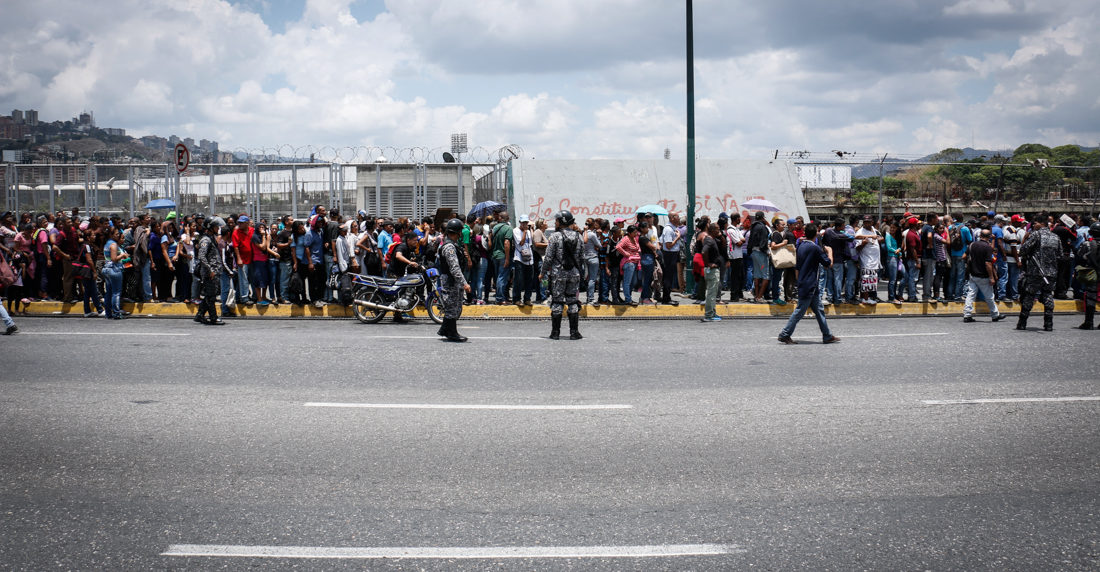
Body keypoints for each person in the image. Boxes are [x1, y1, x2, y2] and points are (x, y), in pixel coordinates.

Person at [777, 223, 839, 344]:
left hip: (806, 283)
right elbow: (828, 264)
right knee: (800, 311)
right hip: (810, 284)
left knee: (819, 310)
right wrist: (830, 252)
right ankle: (785, 334)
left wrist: (798, 281)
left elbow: (797, 267)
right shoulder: (815, 248)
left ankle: (827, 335)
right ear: (816, 234)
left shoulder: (801, 246)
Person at [541, 210, 586, 340]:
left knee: (557, 301)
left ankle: (555, 333)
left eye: (556, 220)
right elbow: (582, 257)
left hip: (558, 274)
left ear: (561, 221)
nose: (555, 222)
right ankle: (574, 332)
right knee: (572, 301)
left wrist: (543, 272)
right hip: (574, 274)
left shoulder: (555, 237)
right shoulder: (579, 236)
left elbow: (548, 257)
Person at [1015, 216, 1062, 331]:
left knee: (1029, 295)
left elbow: (1023, 250)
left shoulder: (1036, 235)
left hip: (1035, 271)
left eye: (1035, 223)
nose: (1033, 225)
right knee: (1048, 295)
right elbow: (1060, 255)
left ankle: (1022, 323)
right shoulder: (1055, 237)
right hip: (1051, 272)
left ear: (1042, 223)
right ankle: (1049, 324)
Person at [435, 218, 471, 342]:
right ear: (457, 232)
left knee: (455, 307)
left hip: (453, 280)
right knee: (452, 307)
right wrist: (464, 283)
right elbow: (454, 268)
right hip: (451, 281)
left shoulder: (453, 245)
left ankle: (445, 329)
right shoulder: (449, 247)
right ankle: (452, 333)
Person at [963, 229, 1006, 323]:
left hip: (973, 274)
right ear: (989, 237)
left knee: (970, 295)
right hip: (983, 275)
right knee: (989, 296)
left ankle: (967, 314)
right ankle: (995, 315)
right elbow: (988, 263)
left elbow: (964, 256)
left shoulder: (972, 245)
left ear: (980, 235)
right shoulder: (987, 247)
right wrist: (991, 277)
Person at [194, 220, 225, 325]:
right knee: (211, 297)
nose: (218, 229)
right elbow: (201, 256)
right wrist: (210, 269)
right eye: (216, 227)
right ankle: (213, 317)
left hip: (214, 272)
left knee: (209, 295)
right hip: (209, 273)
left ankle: (200, 315)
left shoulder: (212, 238)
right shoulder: (206, 240)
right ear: (210, 227)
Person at [1075, 222, 1100, 330]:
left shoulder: (1088, 244)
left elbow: (1080, 255)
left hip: (1092, 273)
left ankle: (1089, 322)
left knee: (1090, 297)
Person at [700, 222, 722, 321]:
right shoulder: (709, 240)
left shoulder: (711, 239)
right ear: (712, 230)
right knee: (711, 293)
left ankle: (712, 312)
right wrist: (708, 263)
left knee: (711, 292)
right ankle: (709, 315)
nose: (719, 231)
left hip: (712, 270)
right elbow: (704, 251)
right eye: (717, 229)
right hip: (712, 270)